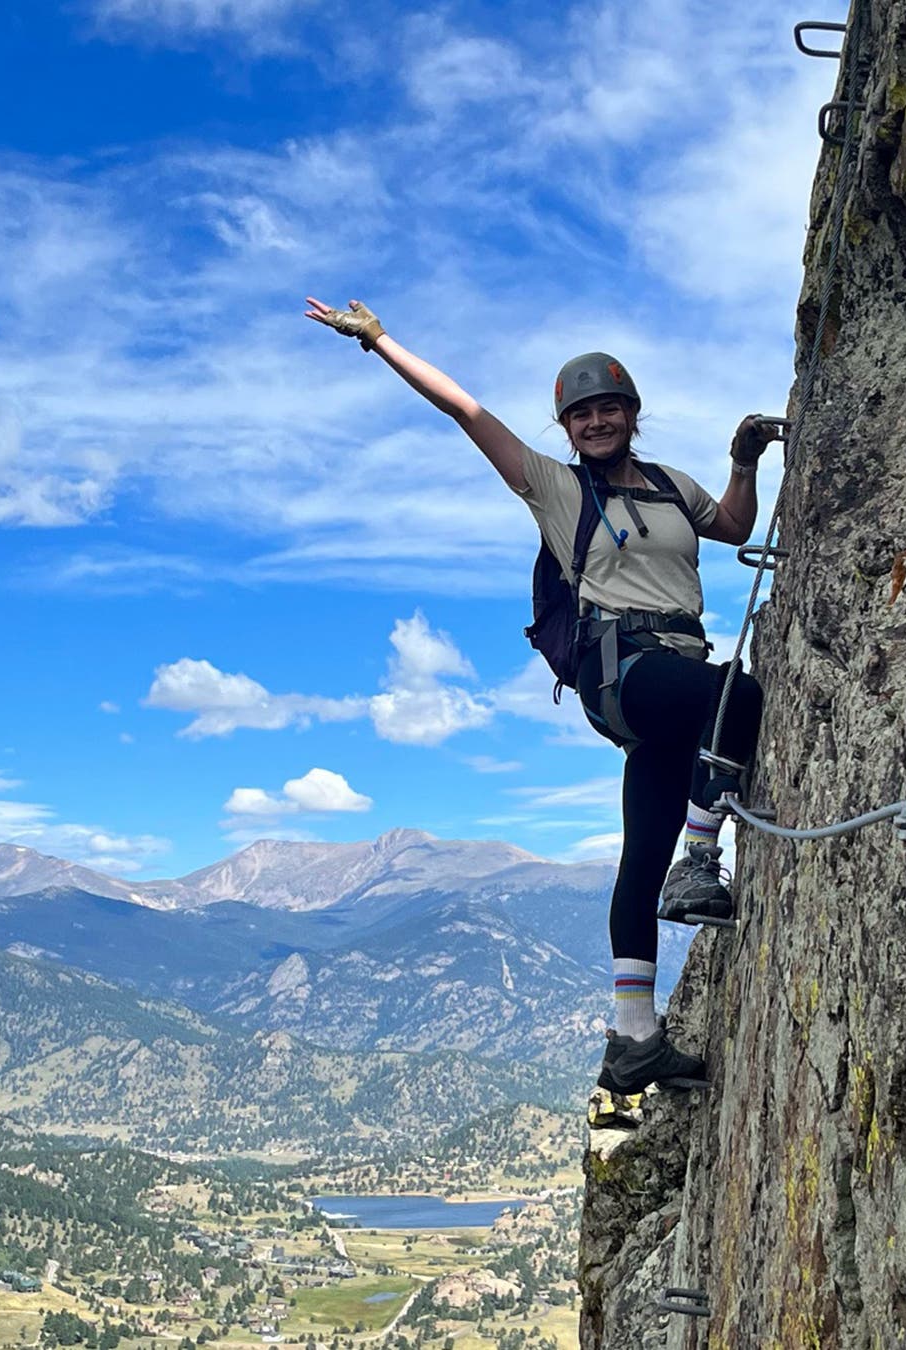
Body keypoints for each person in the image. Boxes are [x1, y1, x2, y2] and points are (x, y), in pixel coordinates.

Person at [304, 296, 772, 1096]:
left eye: (608, 408)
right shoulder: (557, 490)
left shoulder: (669, 486)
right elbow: (466, 411)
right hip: (625, 667)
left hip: (669, 669)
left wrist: (743, 459)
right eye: (581, 414)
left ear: (632, 413)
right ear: (565, 428)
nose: (595, 422)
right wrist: (380, 341)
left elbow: (730, 525)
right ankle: (702, 859)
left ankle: (633, 1038)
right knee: (738, 693)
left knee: (640, 854)